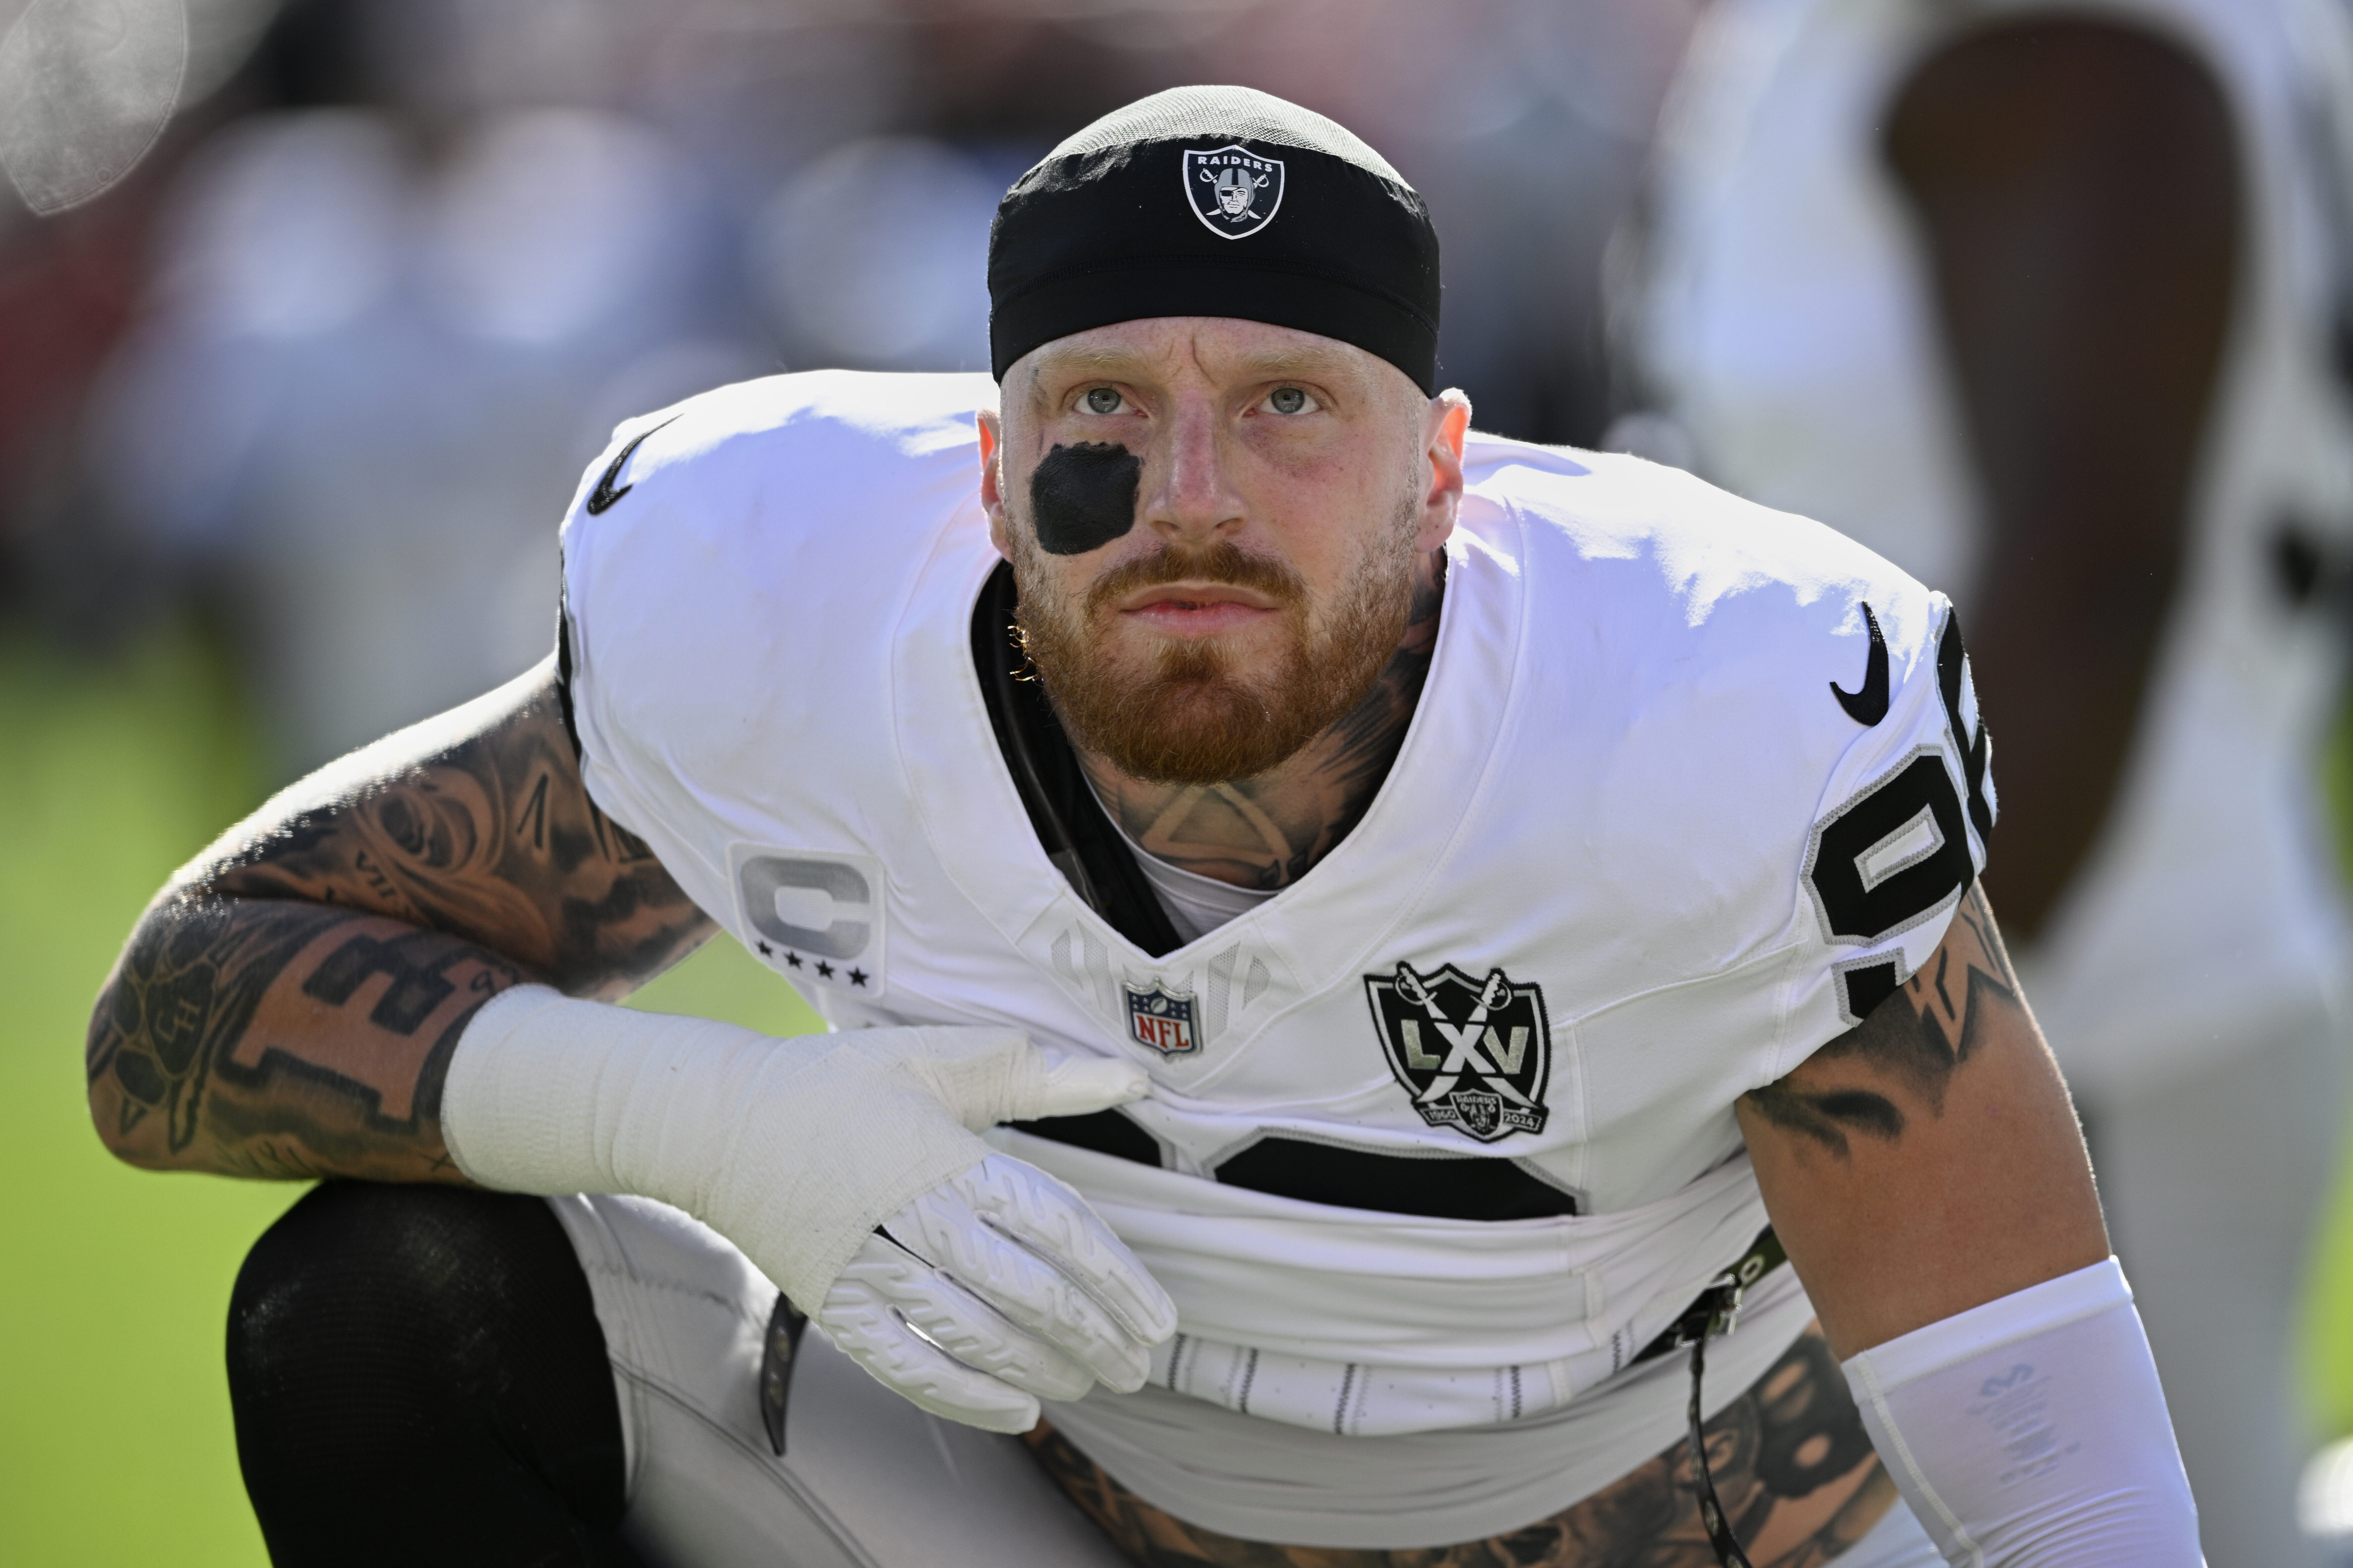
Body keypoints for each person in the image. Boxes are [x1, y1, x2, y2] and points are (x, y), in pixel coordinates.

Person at [91, 87, 2197, 1567]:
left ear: (1447, 469)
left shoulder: (1712, 714)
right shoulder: (782, 614)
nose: (1188, 489)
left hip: (1680, 1532)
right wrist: (710, 1129)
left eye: (1289, 403)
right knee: (388, 1311)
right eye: (1103, 408)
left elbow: (2056, 1463)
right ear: (988, 472)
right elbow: (177, 1017)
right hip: (1036, 1514)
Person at [1623, 2, 2353, 1560]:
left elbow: (2093, 572)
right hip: (2066, 1001)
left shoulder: (2040, 47)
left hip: (2069, 1031)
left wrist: (1849, 1044)